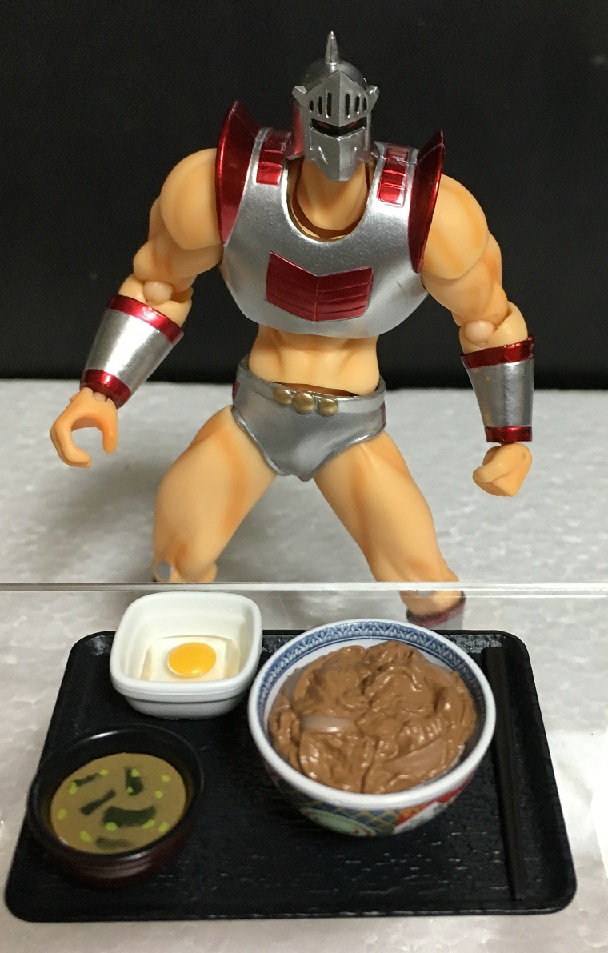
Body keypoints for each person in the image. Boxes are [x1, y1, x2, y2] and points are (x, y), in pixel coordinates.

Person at [50, 33, 533, 624]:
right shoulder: (224, 188)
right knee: (178, 557)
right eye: (323, 121)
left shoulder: (427, 215)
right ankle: (184, 663)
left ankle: (444, 661)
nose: (337, 139)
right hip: (256, 415)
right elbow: (158, 288)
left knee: (422, 577)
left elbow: (489, 321)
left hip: (350, 428)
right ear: (300, 115)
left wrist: (510, 437)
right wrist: (102, 389)